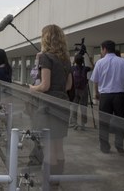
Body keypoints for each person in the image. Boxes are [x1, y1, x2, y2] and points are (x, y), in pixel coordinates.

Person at [29, 24, 72, 184]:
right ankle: (56, 182)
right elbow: (68, 86)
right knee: (58, 146)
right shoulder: (66, 59)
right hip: (63, 104)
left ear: (45, 38)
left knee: (48, 148)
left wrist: (32, 88)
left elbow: (44, 85)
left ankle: (49, 185)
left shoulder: (46, 57)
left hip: (48, 106)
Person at [90, 40, 124, 154]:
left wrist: (96, 93)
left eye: (101, 49)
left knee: (104, 121)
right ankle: (119, 144)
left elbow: (95, 80)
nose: (101, 51)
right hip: (119, 96)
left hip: (105, 96)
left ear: (104, 49)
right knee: (121, 121)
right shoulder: (122, 61)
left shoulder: (99, 63)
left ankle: (105, 146)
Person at [69, 54, 94, 130]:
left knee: (74, 107)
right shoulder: (85, 68)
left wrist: (73, 62)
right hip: (83, 89)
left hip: (75, 89)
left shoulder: (72, 68)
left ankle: (74, 123)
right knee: (83, 107)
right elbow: (93, 67)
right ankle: (83, 124)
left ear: (75, 61)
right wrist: (90, 60)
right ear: (82, 61)